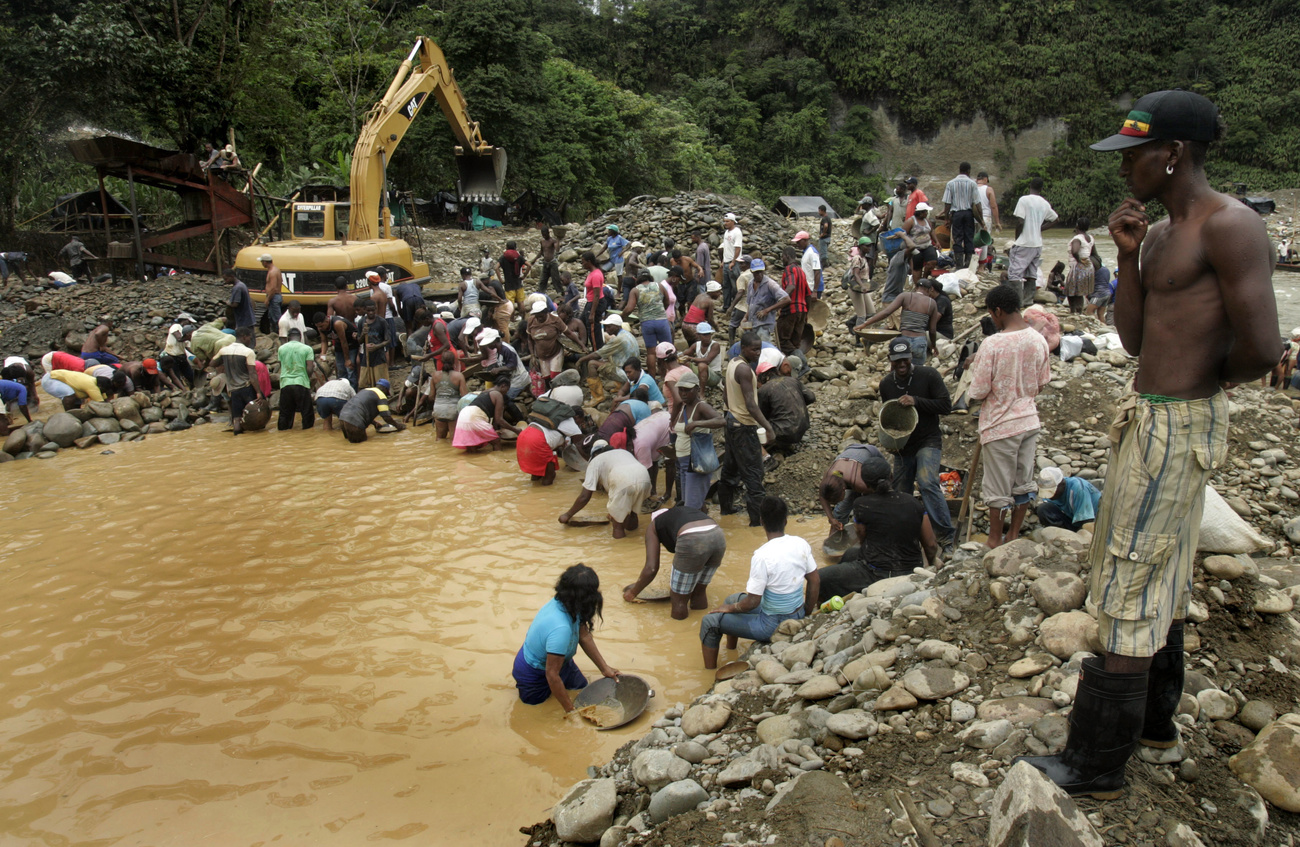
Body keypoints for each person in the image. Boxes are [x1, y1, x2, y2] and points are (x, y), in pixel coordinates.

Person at [1017, 91, 1282, 800]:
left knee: (1133, 575)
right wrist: (1128, 258)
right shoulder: (1161, 233)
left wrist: (1201, 384)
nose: (1126, 164)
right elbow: (1135, 339)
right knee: (1150, 566)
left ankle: (1096, 761)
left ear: (1176, 154)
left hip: (1178, 420)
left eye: (1136, 152)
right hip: (1147, 412)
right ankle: (1155, 725)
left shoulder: (1230, 226)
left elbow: (1263, 346)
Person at [967, 285, 1051, 548]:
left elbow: (979, 390)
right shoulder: (1038, 339)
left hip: (1000, 425)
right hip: (1028, 421)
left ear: (998, 311)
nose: (992, 318)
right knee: (1023, 481)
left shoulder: (993, 344)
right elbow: (1042, 382)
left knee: (997, 487)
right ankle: (1013, 535)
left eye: (992, 314)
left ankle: (994, 541)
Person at [698, 496, 818, 669]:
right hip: (796, 612)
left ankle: (710, 673)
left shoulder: (762, 556)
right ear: (785, 521)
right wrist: (805, 612)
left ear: (762, 521)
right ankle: (731, 648)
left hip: (771, 625)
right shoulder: (800, 543)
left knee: (709, 623)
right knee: (732, 598)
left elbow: (752, 602)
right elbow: (814, 580)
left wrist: (729, 609)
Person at [816, 457, 939, 601]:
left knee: (820, 577)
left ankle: (830, 608)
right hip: (912, 567)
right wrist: (930, 564)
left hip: (877, 572)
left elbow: (862, 537)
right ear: (891, 477)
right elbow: (930, 544)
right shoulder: (914, 503)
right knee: (849, 554)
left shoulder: (861, 505)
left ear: (865, 483)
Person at [877, 338, 955, 547]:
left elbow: (946, 405)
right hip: (903, 445)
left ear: (911, 356)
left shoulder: (928, 375)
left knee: (927, 482)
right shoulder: (886, 384)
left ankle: (945, 536)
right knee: (900, 492)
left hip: (928, 439)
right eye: (897, 361)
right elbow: (889, 418)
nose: (901, 364)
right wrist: (890, 441)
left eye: (905, 359)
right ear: (890, 360)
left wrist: (916, 401)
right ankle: (906, 536)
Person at [512, 564, 619, 712]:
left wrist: (604, 669)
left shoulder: (569, 603)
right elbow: (552, 674)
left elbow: (584, 636)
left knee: (581, 689)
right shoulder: (561, 628)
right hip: (533, 673)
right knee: (539, 711)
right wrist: (571, 711)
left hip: (561, 664)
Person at [623, 507, 727, 619]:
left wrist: (632, 593)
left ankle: (679, 631)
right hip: (718, 536)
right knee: (699, 591)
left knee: (679, 600)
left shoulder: (654, 526)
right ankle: (700, 625)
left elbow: (651, 568)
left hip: (692, 538)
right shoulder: (680, 514)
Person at [719, 331, 777, 525]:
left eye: (759, 349)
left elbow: (726, 395)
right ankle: (757, 524)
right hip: (744, 426)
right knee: (754, 474)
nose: (757, 353)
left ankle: (726, 510)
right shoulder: (744, 370)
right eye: (754, 349)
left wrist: (731, 412)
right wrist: (768, 427)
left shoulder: (732, 363)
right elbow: (751, 405)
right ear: (743, 348)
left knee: (730, 468)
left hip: (732, 422)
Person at [558, 441, 651, 539]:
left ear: (594, 453)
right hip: (645, 478)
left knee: (617, 526)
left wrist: (568, 514)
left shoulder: (595, 461)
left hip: (622, 481)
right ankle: (634, 542)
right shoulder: (622, 452)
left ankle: (620, 550)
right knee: (632, 512)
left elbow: (584, 496)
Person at [669, 370, 723, 509]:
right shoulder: (684, 406)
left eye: (687, 390)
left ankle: (698, 528)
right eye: (680, 390)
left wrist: (697, 423)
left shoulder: (701, 407)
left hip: (695, 463)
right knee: (692, 504)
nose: (683, 393)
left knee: (690, 507)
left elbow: (721, 420)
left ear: (697, 389)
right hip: (683, 463)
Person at [854, 279, 938, 366]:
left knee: (900, 368)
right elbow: (932, 330)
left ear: (916, 287)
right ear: (930, 289)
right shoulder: (932, 303)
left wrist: (865, 324)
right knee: (917, 372)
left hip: (904, 340)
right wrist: (933, 345)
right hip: (920, 341)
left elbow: (886, 312)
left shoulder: (905, 296)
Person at [1008, 177, 1059, 307]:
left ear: (1029, 186)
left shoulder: (1024, 200)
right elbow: (1055, 219)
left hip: (1024, 243)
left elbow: (1020, 221)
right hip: (1037, 244)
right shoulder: (1044, 203)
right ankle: (1028, 300)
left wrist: (1017, 239)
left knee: (1014, 273)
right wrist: (1040, 229)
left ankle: (1017, 303)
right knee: (1031, 273)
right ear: (1041, 189)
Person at [516, 391, 584, 485]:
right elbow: (580, 447)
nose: (581, 424)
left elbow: (553, 441)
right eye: (581, 420)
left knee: (536, 473)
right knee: (550, 476)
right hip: (537, 440)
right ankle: (542, 497)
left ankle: (532, 493)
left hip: (524, 436)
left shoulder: (554, 417)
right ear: (577, 417)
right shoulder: (571, 424)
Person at [818, 442, 884, 533]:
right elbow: (822, 496)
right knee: (840, 512)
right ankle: (834, 540)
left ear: (843, 489)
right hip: (850, 452)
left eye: (838, 499)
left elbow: (878, 497)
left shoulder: (861, 484)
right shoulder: (828, 479)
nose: (837, 503)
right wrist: (831, 519)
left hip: (871, 454)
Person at [211, 327, 265, 435]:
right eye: (250, 337)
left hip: (233, 389)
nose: (250, 340)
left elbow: (212, 363)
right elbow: (252, 374)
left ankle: (237, 437)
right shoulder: (248, 352)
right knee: (256, 413)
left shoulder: (224, 350)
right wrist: (258, 392)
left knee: (237, 418)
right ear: (244, 337)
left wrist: (226, 362)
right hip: (247, 387)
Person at [756, 350, 813, 450]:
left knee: (753, 428)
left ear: (761, 378)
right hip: (803, 428)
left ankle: (765, 454)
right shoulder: (793, 380)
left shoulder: (764, 390)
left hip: (784, 433)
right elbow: (811, 397)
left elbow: (762, 416)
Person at [621, 270, 674, 378]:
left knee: (651, 353)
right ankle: (667, 376)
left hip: (647, 323)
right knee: (667, 350)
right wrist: (660, 311)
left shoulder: (635, 290)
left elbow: (629, 308)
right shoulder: (659, 286)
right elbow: (667, 301)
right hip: (662, 321)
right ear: (650, 277)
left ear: (637, 279)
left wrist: (620, 317)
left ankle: (652, 378)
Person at [453, 373, 517, 451]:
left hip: (463, 415)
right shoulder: (498, 395)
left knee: (472, 444)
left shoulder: (485, 392)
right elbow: (499, 420)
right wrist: (516, 430)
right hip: (474, 417)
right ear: (503, 386)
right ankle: (498, 460)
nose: (506, 392)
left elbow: (493, 418)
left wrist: (495, 430)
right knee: (496, 441)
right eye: (507, 389)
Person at [736, 259, 789, 345]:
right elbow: (751, 304)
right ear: (752, 271)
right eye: (756, 272)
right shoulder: (750, 284)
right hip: (752, 324)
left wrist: (767, 310)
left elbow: (786, 299)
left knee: (763, 349)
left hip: (764, 325)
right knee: (752, 348)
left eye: (761, 272)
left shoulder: (770, 284)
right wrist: (745, 317)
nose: (759, 275)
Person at [526, 300, 574, 392]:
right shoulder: (531, 321)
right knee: (546, 377)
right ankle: (550, 393)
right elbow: (530, 340)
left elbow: (568, 333)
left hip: (555, 352)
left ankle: (558, 393)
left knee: (554, 376)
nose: (539, 318)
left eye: (541, 315)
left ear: (546, 312)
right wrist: (532, 355)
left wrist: (581, 345)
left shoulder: (555, 320)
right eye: (537, 316)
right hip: (541, 355)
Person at [941, 162, 981, 269]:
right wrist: (981, 219)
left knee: (957, 239)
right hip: (968, 214)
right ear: (968, 171)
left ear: (959, 170)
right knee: (969, 238)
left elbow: (947, 203)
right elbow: (977, 203)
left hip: (957, 214)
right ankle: (968, 266)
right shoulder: (972, 184)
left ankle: (959, 266)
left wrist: (946, 219)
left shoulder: (951, 183)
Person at [338, 380, 405, 443]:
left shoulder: (365, 390)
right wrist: (398, 426)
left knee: (349, 444)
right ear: (385, 389)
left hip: (342, 417)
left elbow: (362, 409)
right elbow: (386, 417)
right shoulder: (381, 395)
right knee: (361, 446)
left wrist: (374, 423)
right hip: (354, 421)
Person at [1035, 467, 1101, 531]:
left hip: (1093, 522)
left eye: (1052, 492)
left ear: (1062, 484)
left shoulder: (1078, 489)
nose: (1049, 497)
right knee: (1043, 509)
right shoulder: (1055, 492)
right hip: (1072, 518)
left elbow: (1087, 522)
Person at [276, 328, 316, 430]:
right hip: (301, 382)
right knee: (307, 413)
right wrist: (307, 379)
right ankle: (308, 435)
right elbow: (310, 368)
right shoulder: (307, 349)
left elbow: (281, 364)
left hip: (285, 384)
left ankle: (284, 436)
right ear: (300, 337)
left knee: (285, 414)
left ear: (288, 337)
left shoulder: (281, 348)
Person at [777, 246, 812, 355]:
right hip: (802, 310)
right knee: (795, 342)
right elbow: (808, 294)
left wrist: (779, 304)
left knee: (783, 341)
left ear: (787, 256)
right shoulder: (801, 271)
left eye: (783, 256)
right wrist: (806, 313)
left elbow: (791, 286)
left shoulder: (789, 269)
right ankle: (795, 366)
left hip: (790, 310)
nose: (782, 259)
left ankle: (801, 363)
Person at [477, 327, 530, 400]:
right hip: (511, 379)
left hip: (518, 379)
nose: (488, 346)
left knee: (505, 399)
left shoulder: (507, 349)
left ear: (494, 342)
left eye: (489, 344)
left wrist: (498, 369)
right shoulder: (498, 350)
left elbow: (512, 366)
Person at [425, 350, 468, 438]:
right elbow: (465, 397)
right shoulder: (459, 376)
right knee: (454, 440)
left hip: (438, 409)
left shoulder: (435, 375)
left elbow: (431, 396)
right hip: (453, 410)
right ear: (454, 362)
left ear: (441, 361)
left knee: (440, 439)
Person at [314, 310, 357, 387]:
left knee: (350, 369)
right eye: (318, 326)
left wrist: (347, 359)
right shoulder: (320, 328)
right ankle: (342, 389)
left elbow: (344, 341)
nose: (320, 328)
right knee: (340, 370)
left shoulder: (337, 324)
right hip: (339, 346)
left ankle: (353, 390)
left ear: (326, 321)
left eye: (321, 326)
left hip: (350, 345)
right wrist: (323, 353)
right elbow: (324, 341)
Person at [356, 299, 391, 389]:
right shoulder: (361, 322)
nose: (371, 313)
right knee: (363, 384)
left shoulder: (382, 322)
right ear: (364, 310)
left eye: (373, 310)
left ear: (376, 309)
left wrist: (376, 347)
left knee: (381, 385)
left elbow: (388, 340)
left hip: (379, 357)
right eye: (368, 311)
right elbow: (359, 341)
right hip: (366, 356)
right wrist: (363, 334)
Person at [1065, 219, 1096, 314]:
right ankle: (1079, 311)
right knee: (1080, 291)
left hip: (1078, 266)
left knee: (1070, 290)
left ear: (1077, 225)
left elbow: (1074, 251)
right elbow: (1093, 252)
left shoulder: (1077, 238)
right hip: (1088, 266)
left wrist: (1079, 260)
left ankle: (1073, 310)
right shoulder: (1090, 238)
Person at [902, 202, 938, 283]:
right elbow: (903, 234)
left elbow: (931, 231)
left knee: (932, 262)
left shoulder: (927, 221)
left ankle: (924, 278)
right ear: (921, 213)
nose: (927, 213)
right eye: (926, 211)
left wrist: (937, 242)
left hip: (927, 245)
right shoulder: (911, 221)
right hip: (916, 247)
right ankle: (918, 285)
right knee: (917, 268)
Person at [846, 237, 876, 334]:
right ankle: (859, 337)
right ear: (860, 247)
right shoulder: (857, 258)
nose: (869, 248)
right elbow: (856, 274)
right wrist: (862, 285)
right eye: (867, 246)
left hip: (862, 288)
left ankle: (851, 322)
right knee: (862, 315)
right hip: (856, 288)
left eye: (870, 246)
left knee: (871, 312)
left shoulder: (864, 259)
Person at [682, 280, 721, 347]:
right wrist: (716, 328)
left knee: (691, 346)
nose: (719, 294)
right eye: (718, 292)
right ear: (712, 292)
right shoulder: (710, 301)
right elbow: (710, 319)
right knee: (701, 347)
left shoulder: (699, 296)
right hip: (694, 327)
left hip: (685, 324)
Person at [685, 322, 722, 388]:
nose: (707, 337)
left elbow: (707, 360)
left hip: (714, 376)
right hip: (701, 374)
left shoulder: (715, 345)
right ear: (698, 335)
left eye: (709, 334)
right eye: (704, 335)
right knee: (686, 363)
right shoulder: (696, 345)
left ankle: (702, 393)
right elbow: (685, 354)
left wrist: (691, 358)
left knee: (702, 365)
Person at [975, 172, 1001, 266]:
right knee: (984, 242)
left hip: (973, 218)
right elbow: (993, 206)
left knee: (972, 240)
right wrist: (997, 222)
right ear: (985, 179)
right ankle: (981, 267)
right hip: (985, 218)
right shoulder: (988, 189)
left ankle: (971, 264)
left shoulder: (972, 187)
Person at [224, 269, 256, 340]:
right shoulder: (242, 284)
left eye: (226, 279)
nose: (225, 281)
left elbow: (235, 304)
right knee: (250, 338)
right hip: (248, 317)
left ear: (232, 276)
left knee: (244, 339)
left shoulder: (237, 288)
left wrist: (228, 303)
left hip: (243, 319)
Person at [161, 322, 195, 388]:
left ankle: (193, 389)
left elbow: (188, 347)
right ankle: (180, 391)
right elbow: (179, 338)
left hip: (181, 357)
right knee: (176, 376)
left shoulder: (187, 337)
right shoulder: (176, 326)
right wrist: (188, 337)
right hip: (171, 356)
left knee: (190, 375)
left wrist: (199, 354)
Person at [721, 213, 743, 311]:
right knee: (726, 285)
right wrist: (723, 260)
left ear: (733, 222)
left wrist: (733, 262)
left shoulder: (737, 232)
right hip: (726, 262)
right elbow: (726, 247)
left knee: (735, 286)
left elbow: (738, 248)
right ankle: (726, 306)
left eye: (727, 221)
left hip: (734, 263)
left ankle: (735, 307)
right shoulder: (727, 232)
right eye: (724, 221)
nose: (725, 223)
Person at [529, 227, 562, 294]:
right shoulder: (542, 241)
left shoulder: (553, 241)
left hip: (552, 263)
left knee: (556, 280)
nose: (544, 236)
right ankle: (541, 293)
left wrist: (558, 240)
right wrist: (534, 259)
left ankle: (560, 293)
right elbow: (541, 251)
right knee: (542, 280)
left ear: (548, 233)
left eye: (545, 234)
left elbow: (557, 250)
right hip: (545, 263)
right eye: (543, 234)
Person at [792, 231, 823, 298]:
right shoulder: (806, 252)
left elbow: (817, 271)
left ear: (805, 241)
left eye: (799, 242)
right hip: (808, 287)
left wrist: (815, 291)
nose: (797, 244)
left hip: (812, 288)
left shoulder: (812, 253)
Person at [499, 240, 526, 309]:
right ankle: (522, 317)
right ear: (515, 248)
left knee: (510, 304)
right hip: (518, 282)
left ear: (507, 248)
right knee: (521, 302)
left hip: (509, 284)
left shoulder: (503, 257)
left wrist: (501, 280)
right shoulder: (518, 257)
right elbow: (529, 265)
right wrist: (524, 276)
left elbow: (496, 267)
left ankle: (512, 319)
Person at [260, 253, 283, 329]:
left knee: (276, 320)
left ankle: (278, 335)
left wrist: (268, 299)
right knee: (273, 318)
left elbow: (273, 288)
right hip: (276, 296)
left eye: (262, 262)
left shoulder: (272, 272)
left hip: (274, 297)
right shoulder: (276, 270)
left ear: (265, 262)